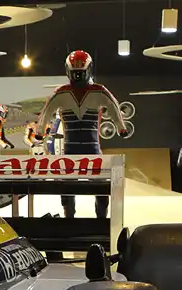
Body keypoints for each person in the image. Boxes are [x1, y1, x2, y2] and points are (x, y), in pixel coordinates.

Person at [36, 51, 126, 218]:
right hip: (80, 150)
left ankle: (99, 219)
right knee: (68, 188)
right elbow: (46, 112)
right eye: (75, 73)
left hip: (83, 150)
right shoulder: (65, 92)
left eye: (81, 73)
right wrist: (121, 128)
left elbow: (114, 106)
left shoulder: (95, 91)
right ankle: (72, 218)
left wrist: (40, 131)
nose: (78, 76)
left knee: (99, 188)